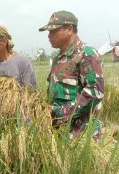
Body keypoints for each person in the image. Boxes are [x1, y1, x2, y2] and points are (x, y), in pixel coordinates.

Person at [39, 10, 105, 141]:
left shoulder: (86, 54)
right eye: (48, 32)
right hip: (59, 132)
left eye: (53, 31)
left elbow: (94, 94)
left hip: (80, 136)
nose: (49, 36)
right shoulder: (59, 58)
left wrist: (57, 112)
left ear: (69, 29)